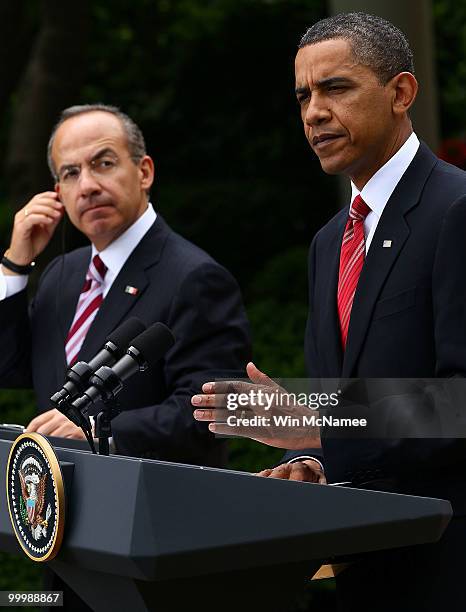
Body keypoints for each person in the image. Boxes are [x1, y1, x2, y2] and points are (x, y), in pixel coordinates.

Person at [193, 12, 466, 611]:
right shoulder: (328, 243)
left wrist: (318, 424)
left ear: (400, 93)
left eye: (335, 88)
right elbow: (343, 400)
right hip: (360, 572)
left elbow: (458, 401)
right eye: (303, 96)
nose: (313, 112)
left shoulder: (456, 209)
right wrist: (312, 460)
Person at [0, 103, 251, 466]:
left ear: (144, 171)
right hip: (54, 508)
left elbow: (215, 412)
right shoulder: (60, 274)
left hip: (154, 506)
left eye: (103, 163)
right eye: (71, 173)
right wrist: (14, 265)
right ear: (59, 193)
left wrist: (99, 429)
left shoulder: (195, 278)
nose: (87, 186)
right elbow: (11, 369)